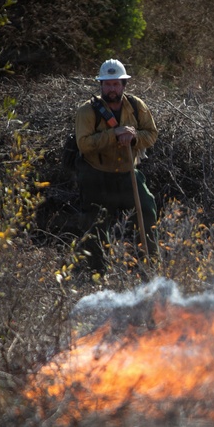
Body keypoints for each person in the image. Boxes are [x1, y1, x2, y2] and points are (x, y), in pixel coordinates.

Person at [74, 58, 159, 272]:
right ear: (101, 85)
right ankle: (96, 272)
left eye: (116, 83)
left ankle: (147, 266)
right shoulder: (87, 111)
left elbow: (151, 134)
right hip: (97, 176)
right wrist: (113, 134)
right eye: (108, 84)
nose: (112, 88)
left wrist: (133, 137)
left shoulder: (137, 106)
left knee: (147, 211)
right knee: (96, 225)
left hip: (128, 173)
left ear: (124, 85)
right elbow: (83, 145)